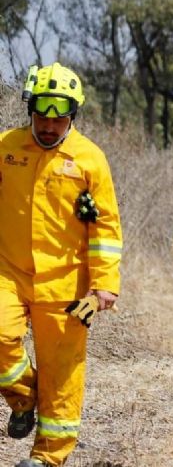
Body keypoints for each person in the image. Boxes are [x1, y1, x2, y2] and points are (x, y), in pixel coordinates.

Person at [0, 62, 122, 467]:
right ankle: (24, 395)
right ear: (30, 110)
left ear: (73, 115)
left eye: (60, 118)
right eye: (42, 117)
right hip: (9, 272)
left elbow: (105, 227)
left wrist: (103, 286)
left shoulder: (91, 159)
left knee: (63, 373)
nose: (49, 127)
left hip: (68, 285)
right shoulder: (6, 148)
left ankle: (47, 457)